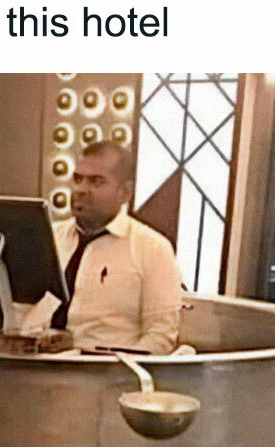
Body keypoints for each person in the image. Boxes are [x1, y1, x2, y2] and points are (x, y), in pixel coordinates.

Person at [49, 141, 183, 354]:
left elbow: (160, 338)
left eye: (96, 181)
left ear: (125, 193)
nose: (81, 190)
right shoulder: (51, 237)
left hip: (107, 374)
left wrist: (115, 372)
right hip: (36, 368)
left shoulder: (152, 248)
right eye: (77, 179)